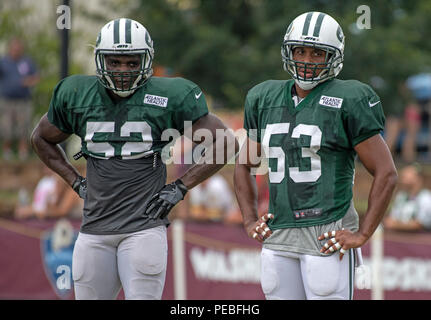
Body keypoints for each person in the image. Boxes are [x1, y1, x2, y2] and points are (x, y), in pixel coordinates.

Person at [30, 18, 237, 300]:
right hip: (94, 230)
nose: (123, 71)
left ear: (147, 61)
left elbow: (226, 143)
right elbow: (40, 138)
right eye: (115, 62)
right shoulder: (77, 94)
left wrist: (180, 187)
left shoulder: (168, 96)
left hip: (143, 229)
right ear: (101, 60)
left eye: (132, 62)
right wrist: (75, 182)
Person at [234, 11, 397, 300]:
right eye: (300, 51)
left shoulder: (350, 98)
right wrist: (248, 219)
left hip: (328, 231)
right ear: (288, 51)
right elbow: (244, 164)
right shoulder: (263, 97)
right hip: (279, 231)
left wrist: (362, 233)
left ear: (333, 57)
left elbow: (387, 173)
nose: (307, 61)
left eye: (317, 54)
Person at [0, 38, 40, 160]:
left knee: (24, 126)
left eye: (18, 48)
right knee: (7, 127)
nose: (16, 50)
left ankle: (23, 152)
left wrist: (29, 81)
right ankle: (7, 152)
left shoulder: (27, 62)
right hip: (7, 100)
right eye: (14, 48)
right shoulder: (3, 62)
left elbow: (36, 77)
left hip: (23, 100)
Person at [14, 165, 83, 220]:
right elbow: (51, 208)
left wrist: (33, 212)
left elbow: (61, 212)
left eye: (57, 185)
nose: (55, 188)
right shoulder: (60, 194)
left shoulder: (72, 192)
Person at [384, 164, 431, 232]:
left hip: (420, 240)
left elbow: (419, 224)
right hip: (400, 239)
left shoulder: (426, 198)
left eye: (406, 175)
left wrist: (396, 225)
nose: (402, 177)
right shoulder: (401, 196)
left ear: (417, 178)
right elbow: (391, 219)